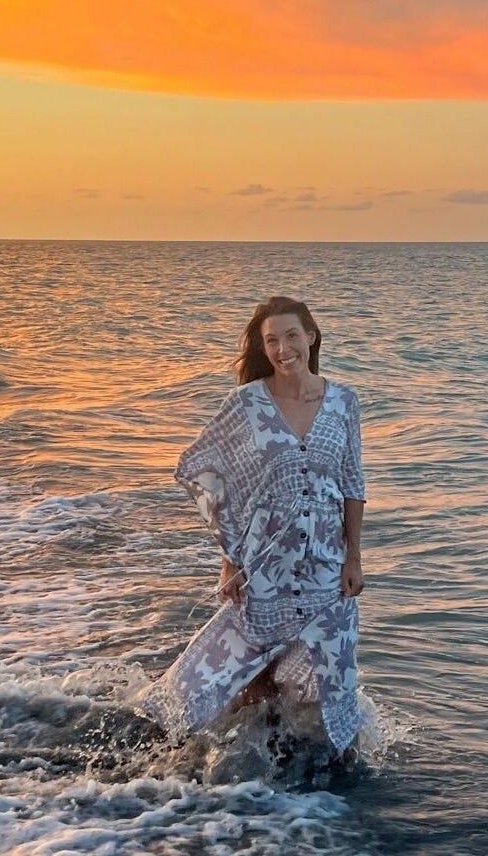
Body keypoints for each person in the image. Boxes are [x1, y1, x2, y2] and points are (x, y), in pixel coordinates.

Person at [141, 296, 366, 755]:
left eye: (291, 336)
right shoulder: (246, 403)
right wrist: (230, 558)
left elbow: (352, 481)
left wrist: (354, 558)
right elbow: (206, 471)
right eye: (271, 341)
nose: (283, 349)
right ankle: (240, 756)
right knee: (253, 669)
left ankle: (328, 757)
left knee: (329, 668)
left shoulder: (344, 401)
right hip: (265, 561)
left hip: (326, 561)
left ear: (311, 337)